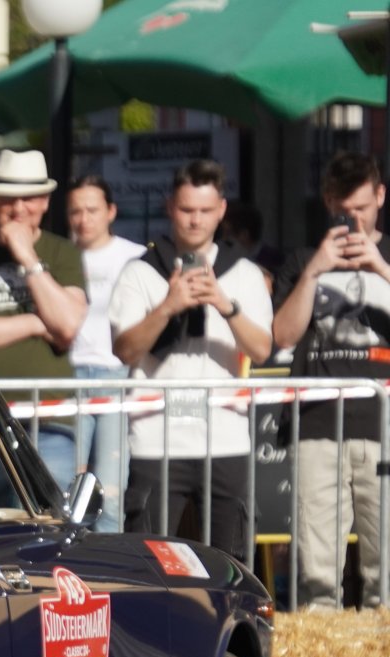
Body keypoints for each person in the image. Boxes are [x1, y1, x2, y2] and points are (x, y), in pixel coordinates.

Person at [109, 158, 272, 558]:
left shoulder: (244, 273)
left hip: (226, 439)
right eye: (186, 210)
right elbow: (125, 350)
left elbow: (262, 350)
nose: (195, 220)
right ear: (170, 208)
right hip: (156, 440)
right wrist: (168, 306)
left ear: (221, 211)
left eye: (204, 210)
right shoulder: (140, 272)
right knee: (152, 563)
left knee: (231, 562)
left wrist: (224, 304)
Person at [271, 150, 390, 609]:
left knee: (385, 572)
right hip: (317, 426)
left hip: (382, 427)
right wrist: (315, 271)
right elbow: (282, 334)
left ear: (380, 196)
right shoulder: (303, 259)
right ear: (327, 202)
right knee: (316, 572)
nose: (354, 220)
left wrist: (379, 266)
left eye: (362, 208)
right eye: (344, 211)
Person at [0, 149, 88, 493]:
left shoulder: (62, 253)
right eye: (9, 199)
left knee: (50, 528)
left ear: (45, 202)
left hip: (49, 421)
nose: (19, 208)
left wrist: (28, 258)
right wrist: (37, 324)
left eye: (29, 198)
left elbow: (68, 325)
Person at [66, 175, 145, 532]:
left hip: (116, 377)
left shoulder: (136, 257)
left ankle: (109, 577)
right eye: (76, 211)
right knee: (66, 493)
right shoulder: (57, 256)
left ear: (111, 211)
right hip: (68, 378)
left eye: (92, 210)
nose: (84, 219)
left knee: (112, 493)